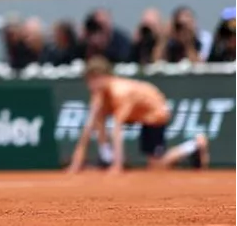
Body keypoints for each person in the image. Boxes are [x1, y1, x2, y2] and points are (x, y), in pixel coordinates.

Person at [67, 55, 208, 173]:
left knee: (156, 166)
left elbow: (117, 127)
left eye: (93, 79)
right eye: (88, 80)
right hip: (138, 114)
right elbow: (88, 127)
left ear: (104, 77)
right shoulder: (99, 95)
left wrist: (117, 165)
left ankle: (195, 145)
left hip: (155, 112)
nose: (90, 85)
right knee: (99, 118)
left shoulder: (120, 92)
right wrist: (76, 162)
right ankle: (106, 157)